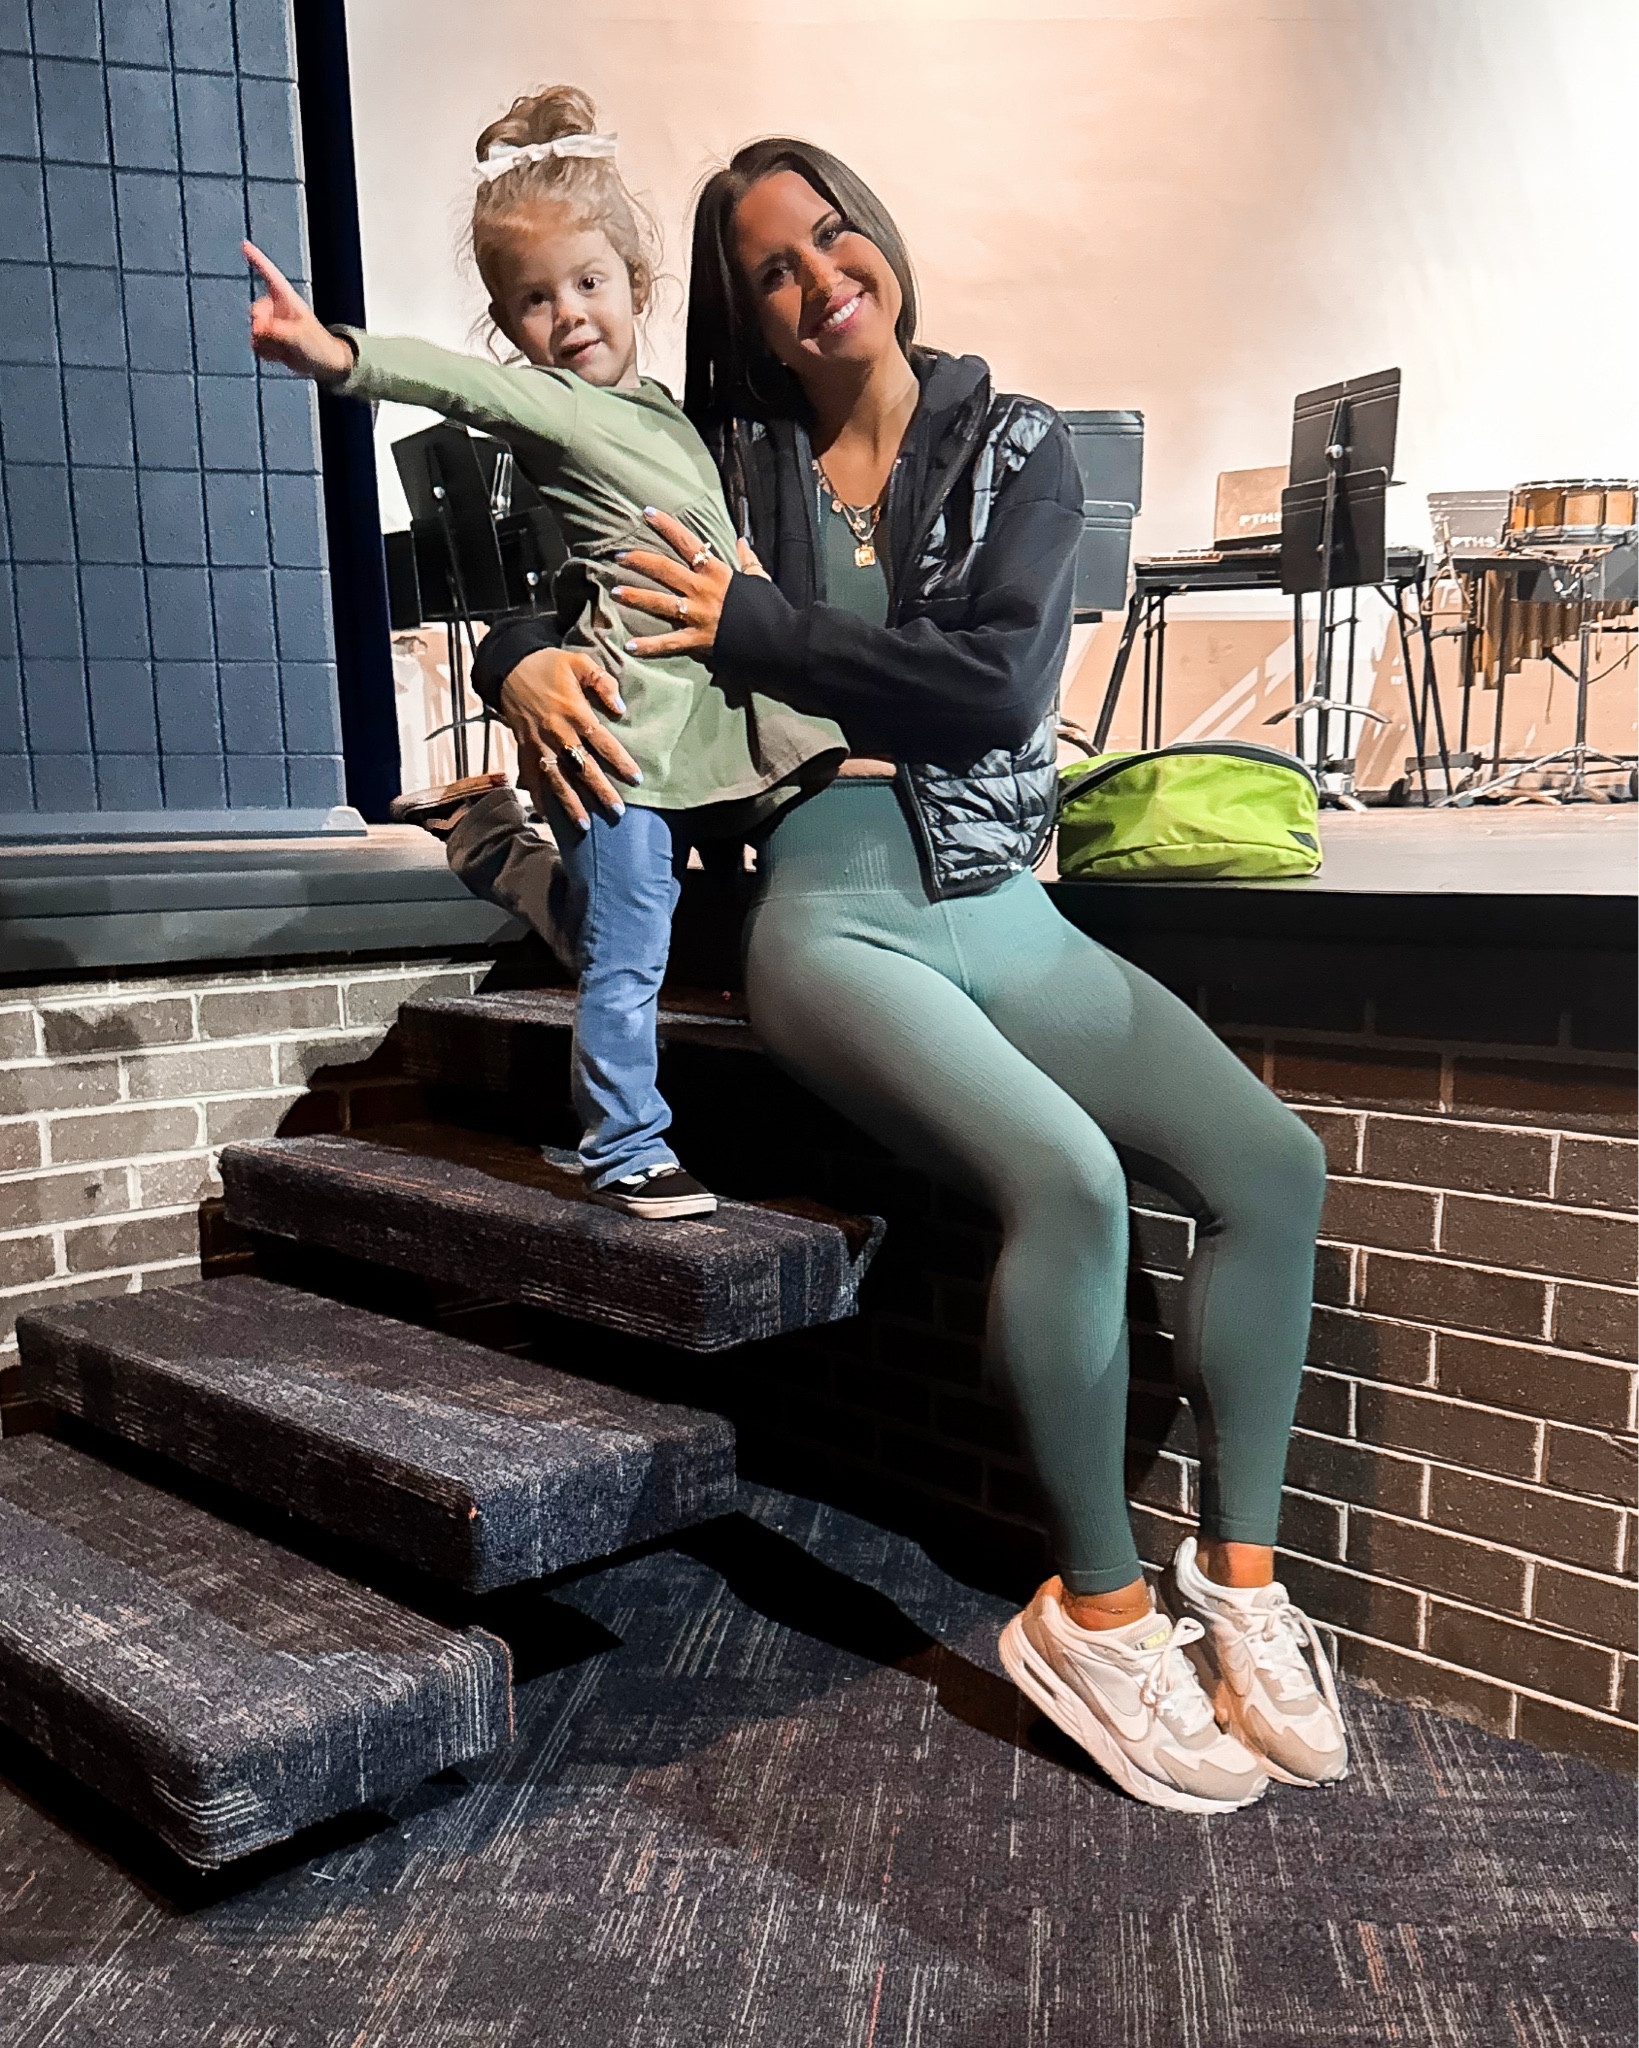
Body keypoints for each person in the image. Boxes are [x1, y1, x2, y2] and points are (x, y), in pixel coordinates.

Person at [471, 136, 1349, 1815]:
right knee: (1068, 1179)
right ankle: (1095, 1615)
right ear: (744, 314)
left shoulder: (1014, 443)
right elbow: (541, 573)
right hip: (827, 905)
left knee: (1269, 1166)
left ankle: (1234, 1582)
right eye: (770, 273)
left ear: (876, 236)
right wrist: (519, 663)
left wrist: (755, 629)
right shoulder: (721, 457)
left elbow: (991, 683)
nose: (816, 282)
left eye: (829, 237)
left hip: (995, 899)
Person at [243, 87, 846, 1220]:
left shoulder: (666, 411)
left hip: (698, 717)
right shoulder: (556, 408)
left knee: (636, 923)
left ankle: (496, 850)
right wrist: (335, 353)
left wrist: (750, 569)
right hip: (621, 729)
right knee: (627, 950)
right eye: (532, 300)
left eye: (587, 283)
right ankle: (623, 1145)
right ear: (507, 324)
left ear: (635, 282)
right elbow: (452, 381)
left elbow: (701, 527)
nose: (566, 316)